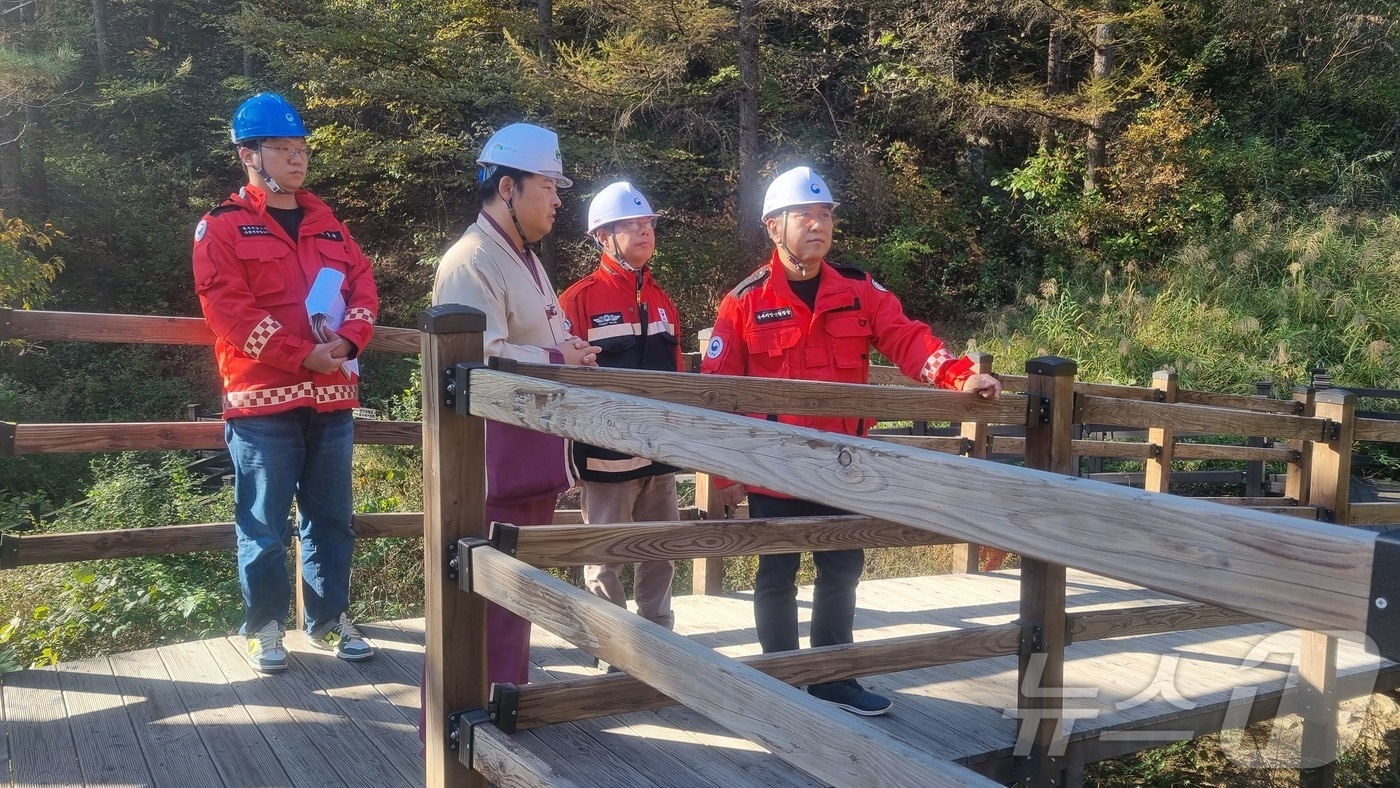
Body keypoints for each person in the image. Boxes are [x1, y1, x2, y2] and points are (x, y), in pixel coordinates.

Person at [700, 165, 1001, 715]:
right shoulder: (743, 302)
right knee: (777, 572)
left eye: (826, 216)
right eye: (805, 216)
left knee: (842, 568)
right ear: (774, 227)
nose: (818, 226)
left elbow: (909, 340)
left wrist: (960, 376)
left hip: (844, 464)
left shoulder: (859, 291)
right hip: (776, 467)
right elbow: (719, 394)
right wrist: (726, 476)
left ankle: (834, 678)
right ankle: (782, 682)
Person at [193, 92, 379, 673]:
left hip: (332, 399)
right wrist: (304, 357)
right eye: (283, 149)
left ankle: (328, 619)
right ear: (249, 155)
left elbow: (365, 288)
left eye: (301, 149)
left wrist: (349, 343)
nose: (297, 160)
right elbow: (229, 309)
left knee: (331, 518)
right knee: (264, 522)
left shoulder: (330, 224)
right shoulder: (221, 227)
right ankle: (265, 625)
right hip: (262, 404)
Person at [431, 123, 600, 687]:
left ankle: (506, 703)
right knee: (490, 595)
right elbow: (479, 360)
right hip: (489, 460)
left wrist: (567, 349)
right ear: (508, 187)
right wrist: (560, 356)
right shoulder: (471, 259)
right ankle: (469, 722)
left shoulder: (522, 257)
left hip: (527, 455)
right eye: (548, 186)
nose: (557, 199)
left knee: (517, 594)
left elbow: (532, 338)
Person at [560, 182, 684, 634]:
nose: (644, 231)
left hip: (660, 454)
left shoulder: (662, 300)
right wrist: (566, 463)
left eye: (648, 223)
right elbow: (562, 384)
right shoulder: (578, 300)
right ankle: (612, 644)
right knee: (604, 555)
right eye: (631, 225)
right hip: (604, 457)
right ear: (602, 236)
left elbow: (675, 377)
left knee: (661, 550)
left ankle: (659, 637)